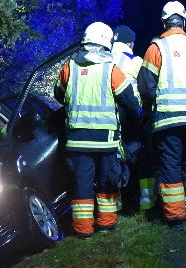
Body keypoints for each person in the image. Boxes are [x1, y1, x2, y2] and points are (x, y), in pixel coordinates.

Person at [54, 22, 142, 238]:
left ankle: (83, 230)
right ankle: (106, 224)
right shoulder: (111, 69)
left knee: (81, 184)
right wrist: (138, 118)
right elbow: (128, 100)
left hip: (77, 139)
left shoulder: (69, 67)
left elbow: (59, 95)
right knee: (107, 182)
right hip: (106, 140)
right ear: (106, 43)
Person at [137, 1, 186, 229]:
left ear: (164, 21)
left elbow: (145, 86)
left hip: (166, 120)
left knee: (170, 165)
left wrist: (155, 105)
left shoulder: (156, 48)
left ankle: (176, 218)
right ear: (183, 20)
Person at [110, 25, 144, 215]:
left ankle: (114, 204)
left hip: (106, 119)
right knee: (133, 159)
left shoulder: (105, 59)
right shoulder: (134, 61)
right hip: (129, 117)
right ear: (130, 42)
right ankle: (132, 205)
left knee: (112, 161)